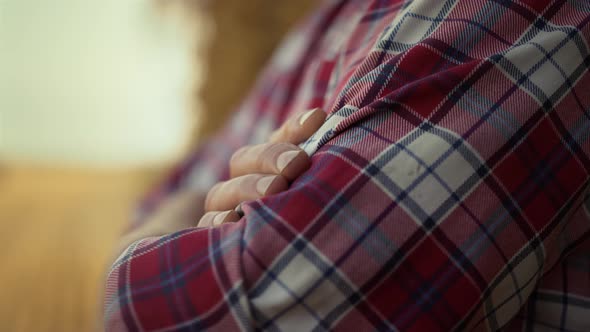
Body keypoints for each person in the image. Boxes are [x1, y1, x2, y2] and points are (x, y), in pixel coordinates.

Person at [104, 0, 590, 330]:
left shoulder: (516, 14)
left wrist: (158, 234)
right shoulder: (335, 17)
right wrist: (185, 211)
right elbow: (173, 194)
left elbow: (278, 305)